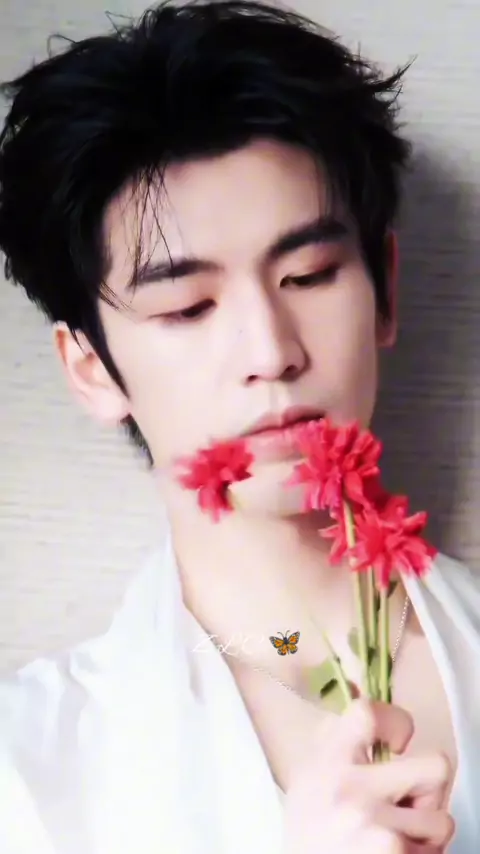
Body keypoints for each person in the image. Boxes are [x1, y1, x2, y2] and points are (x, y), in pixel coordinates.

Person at [0, 2, 478, 852]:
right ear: (92, 367)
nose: (271, 351)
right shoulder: (31, 773)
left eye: (311, 275)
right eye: (188, 308)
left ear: (385, 291)